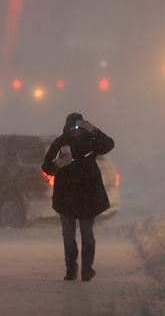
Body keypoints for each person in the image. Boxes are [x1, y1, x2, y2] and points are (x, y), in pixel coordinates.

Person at [41, 112, 115, 281]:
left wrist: (94, 130)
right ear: (66, 128)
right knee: (68, 237)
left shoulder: (90, 140)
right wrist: (60, 163)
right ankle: (71, 269)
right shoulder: (60, 142)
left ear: (83, 127)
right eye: (72, 127)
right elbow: (46, 166)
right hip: (66, 197)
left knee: (87, 235)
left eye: (78, 127)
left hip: (88, 196)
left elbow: (108, 145)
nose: (75, 131)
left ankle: (87, 268)